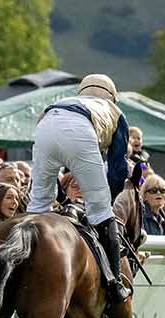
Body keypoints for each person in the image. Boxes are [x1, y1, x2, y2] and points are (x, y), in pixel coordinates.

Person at [25, 74, 135, 302]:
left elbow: (44, 157)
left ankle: (24, 266)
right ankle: (114, 282)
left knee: (37, 208)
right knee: (102, 213)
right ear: (112, 97)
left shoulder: (63, 102)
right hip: (81, 129)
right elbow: (118, 169)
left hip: (45, 123)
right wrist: (107, 201)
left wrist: (59, 195)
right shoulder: (115, 113)